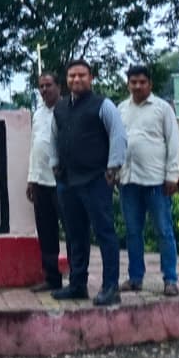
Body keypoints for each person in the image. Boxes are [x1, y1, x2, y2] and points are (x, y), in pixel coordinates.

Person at [50, 58, 127, 307]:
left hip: (96, 179)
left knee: (104, 233)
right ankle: (77, 284)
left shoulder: (103, 105)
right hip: (68, 180)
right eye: (72, 76)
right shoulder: (60, 108)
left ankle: (111, 287)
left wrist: (113, 166)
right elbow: (54, 137)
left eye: (82, 75)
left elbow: (118, 135)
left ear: (91, 78)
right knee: (75, 235)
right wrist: (54, 163)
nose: (77, 79)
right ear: (67, 79)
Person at [118, 65, 179, 297]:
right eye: (133, 82)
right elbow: (116, 142)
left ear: (150, 84)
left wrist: (172, 175)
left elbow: (173, 142)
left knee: (164, 231)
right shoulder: (121, 109)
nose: (137, 86)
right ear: (128, 84)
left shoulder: (162, 108)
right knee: (133, 232)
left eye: (142, 82)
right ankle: (135, 277)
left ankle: (170, 279)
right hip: (129, 180)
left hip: (157, 181)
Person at [26, 73, 64, 292]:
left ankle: (78, 279)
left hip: (62, 182)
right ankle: (51, 277)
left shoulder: (66, 110)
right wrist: (31, 179)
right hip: (41, 181)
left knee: (71, 230)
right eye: (41, 86)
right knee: (46, 231)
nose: (44, 90)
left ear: (58, 87)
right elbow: (34, 147)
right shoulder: (38, 114)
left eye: (48, 85)